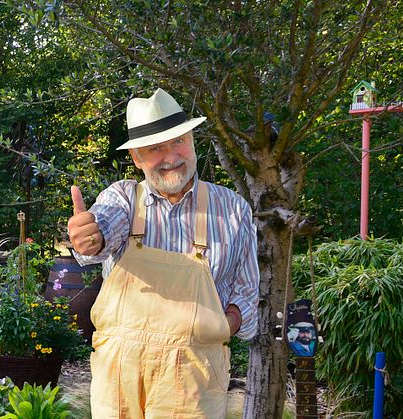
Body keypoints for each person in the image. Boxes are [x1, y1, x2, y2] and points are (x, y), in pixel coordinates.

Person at [68, 87, 260, 418]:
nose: (170, 156)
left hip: (194, 379)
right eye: (155, 148)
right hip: (120, 379)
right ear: (136, 158)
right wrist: (91, 236)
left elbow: (248, 291)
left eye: (178, 142)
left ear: (192, 140)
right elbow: (102, 226)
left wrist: (226, 324)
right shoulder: (124, 200)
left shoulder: (233, 209)